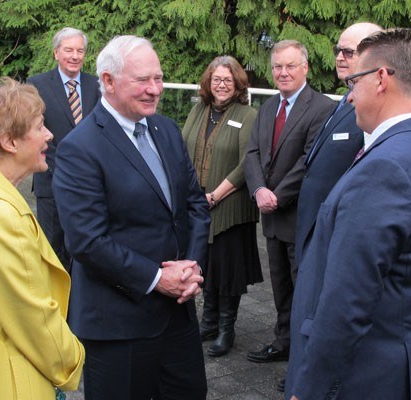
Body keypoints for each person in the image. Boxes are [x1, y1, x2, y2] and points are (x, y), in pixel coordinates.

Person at [285, 28, 411, 400]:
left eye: (354, 81)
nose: (349, 96)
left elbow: (348, 301)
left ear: (381, 79)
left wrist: (310, 387)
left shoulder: (386, 168)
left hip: (372, 374)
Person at [52, 35, 209, 400]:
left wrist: (191, 266)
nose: (155, 89)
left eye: (158, 78)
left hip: (177, 314)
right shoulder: (80, 148)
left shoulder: (167, 130)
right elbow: (86, 241)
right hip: (118, 325)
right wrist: (157, 278)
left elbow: (195, 206)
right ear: (107, 81)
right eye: (143, 80)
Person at [0, 77, 84, 400]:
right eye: (39, 127)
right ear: (10, 142)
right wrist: (74, 358)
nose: (49, 135)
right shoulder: (0, 213)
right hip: (5, 379)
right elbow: (32, 317)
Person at [243, 40, 335, 364]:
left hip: (299, 217)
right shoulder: (268, 107)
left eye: (290, 65)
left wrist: (277, 196)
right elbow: (252, 153)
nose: (283, 72)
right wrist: (257, 191)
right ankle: (283, 343)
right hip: (270, 217)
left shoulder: (322, 108)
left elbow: (309, 161)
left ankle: (304, 357)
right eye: (277, 67)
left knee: (304, 291)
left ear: (305, 67)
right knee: (280, 288)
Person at [182, 56, 262, 357]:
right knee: (208, 264)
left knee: (228, 270)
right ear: (208, 82)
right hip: (197, 203)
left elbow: (246, 162)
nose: (222, 85)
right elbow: (182, 146)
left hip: (229, 203)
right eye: (216, 79)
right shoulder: (198, 109)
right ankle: (209, 322)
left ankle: (227, 328)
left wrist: (215, 196)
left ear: (238, 83)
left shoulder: (248, 114)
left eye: (228, 80)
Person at [295, 22, 382, 265]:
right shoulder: (344, 101)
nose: (340, 58)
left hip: (338, 239)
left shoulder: (373, 109)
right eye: (338, 51)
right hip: (317, 229)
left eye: (348, 52)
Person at [27, 27, 100, 270]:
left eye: (80, 50)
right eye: (68, 50)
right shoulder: (37, 85)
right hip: (51, 182)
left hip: (89, 184)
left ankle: (78, 302)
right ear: (56, 52)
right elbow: (33, 132)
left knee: (82, 247)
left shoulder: (96, 85)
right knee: (52, 249)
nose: (75, 55)